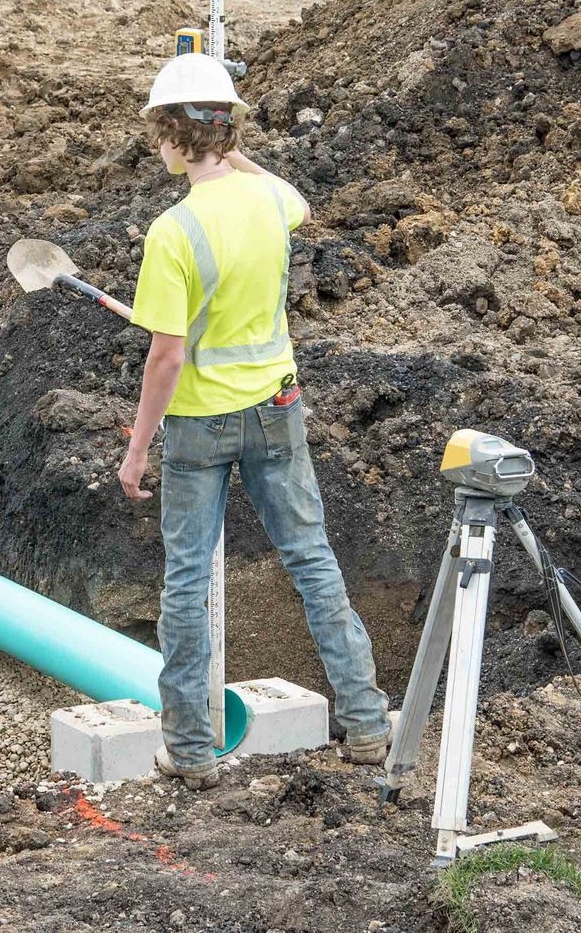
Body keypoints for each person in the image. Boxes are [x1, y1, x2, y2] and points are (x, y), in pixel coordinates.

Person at [120, 52, 392, 789]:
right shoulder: (271, 201)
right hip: (277, 409)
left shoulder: (173, 230)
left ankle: (191, 751)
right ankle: (367, 724)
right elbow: (292, 194)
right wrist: (228, 146)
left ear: (173, 136)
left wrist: (137, 449)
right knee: (312, 560)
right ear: (227, 130)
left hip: (199, 425)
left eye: (162, 132)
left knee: (186, 584)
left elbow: (166, 357)